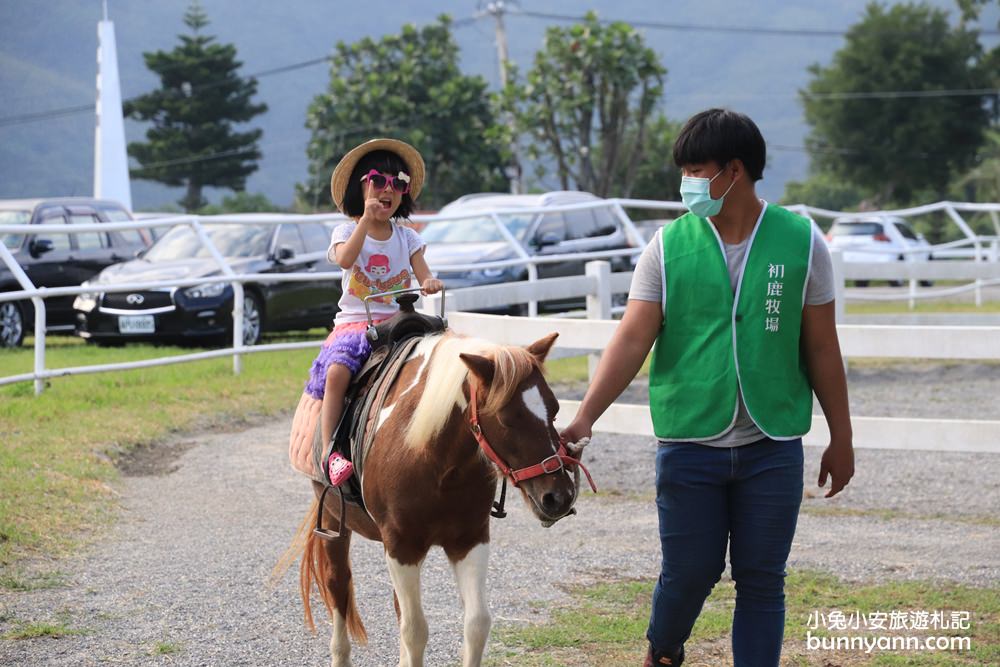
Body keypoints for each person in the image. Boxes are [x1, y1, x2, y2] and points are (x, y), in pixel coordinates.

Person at [560, 109, 855, 667]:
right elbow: (630, 340)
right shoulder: (667, 247)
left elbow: (821, 348)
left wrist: (842, 437)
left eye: (697, 169)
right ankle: (664, 649)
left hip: (772, 444)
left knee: (763, 579)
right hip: (690, 441)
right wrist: (583, 418)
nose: (687, 183)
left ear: (734, 171)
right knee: (690, 572)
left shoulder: (800, 241)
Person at [288, 138, 443, 482]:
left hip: (403, 320)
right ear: (361, 187)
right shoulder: (346, 231)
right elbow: (344, 259)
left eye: (397, 183)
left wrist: (430, 282)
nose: (388, 189)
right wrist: (364, 222)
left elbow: (424, 274)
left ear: (404, 193)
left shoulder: (408, 238)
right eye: (378, 180)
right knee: (338, 372)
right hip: (358, 324)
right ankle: (331, 451)